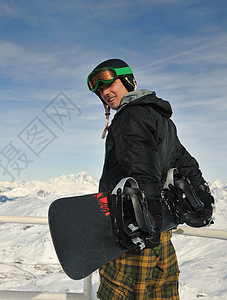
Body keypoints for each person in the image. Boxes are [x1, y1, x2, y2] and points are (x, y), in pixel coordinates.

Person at [87, 58, 214, 299]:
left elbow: (142, 171)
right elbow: (185, 162)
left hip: (134, 237)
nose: (104, 93)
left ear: (128, 80)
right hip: (162, 238)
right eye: (100, 90)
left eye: (109, 84)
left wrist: (147, 227)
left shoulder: (129, 118)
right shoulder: (161, 118)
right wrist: (205, 199)